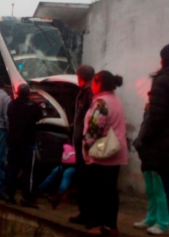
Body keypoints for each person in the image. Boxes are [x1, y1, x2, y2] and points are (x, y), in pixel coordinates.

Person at [82, 71, 128, 236]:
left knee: (101, 191)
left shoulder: (101, 103)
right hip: (115, 153)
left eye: (94, 84)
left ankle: (106, 226)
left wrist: (87, 149)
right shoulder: (116, 101)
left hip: (102, 154)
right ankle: (109, 225)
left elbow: (94, 129)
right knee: (109, 190)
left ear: (98, 83)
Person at [133, 44, 169, 235]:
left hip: (157, 144)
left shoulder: (163, 80)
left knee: (158, 185)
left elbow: (156, 116)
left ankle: (162, 221)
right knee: (153, 184)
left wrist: (143, 139)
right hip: (158, 143)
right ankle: (152, 217)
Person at [133, 104, 169, 235]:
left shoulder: (161, 112)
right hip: (147, 154)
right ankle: (151, 218)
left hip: (158, 155)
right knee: (151, 190)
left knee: (160, 191)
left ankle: (163, 222)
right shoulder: (152, 109)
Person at [5, 84, 42, 208]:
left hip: (13, 143)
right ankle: (26, 198)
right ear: (29, 93)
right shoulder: (33, 106)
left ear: (17, 92)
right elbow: (38, 118)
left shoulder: (11, 105)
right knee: (27, 172)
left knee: (12, 170)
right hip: (27, 144)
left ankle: (10, 196)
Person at [69, 65, 94, 225]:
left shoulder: (88, 92)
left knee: (85, 179)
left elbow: (88, 117)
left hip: (85, 142)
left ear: (81, 76)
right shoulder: (85, 91)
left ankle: (86, 213)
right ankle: (85, 212)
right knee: (83, 178)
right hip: (82, 140)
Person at [38, 142, 76, 209]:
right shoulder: (66, 144)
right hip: (64, 165)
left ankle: (58, 195)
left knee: (67, 173)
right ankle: (40, 189)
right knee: (54, 171)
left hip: (75, 166)